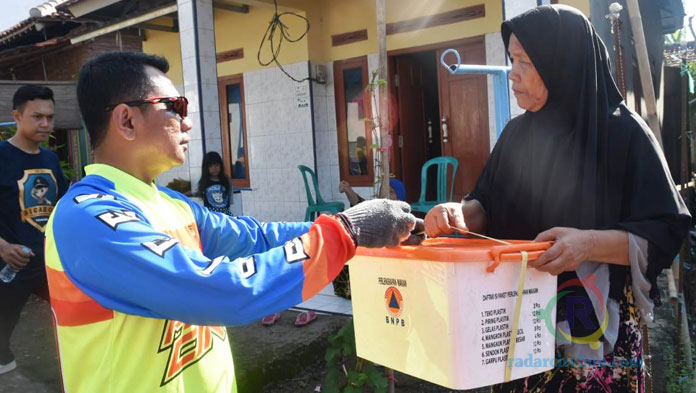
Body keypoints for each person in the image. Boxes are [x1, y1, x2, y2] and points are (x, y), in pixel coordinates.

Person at [44, 51, 421, 393]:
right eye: (175, 106)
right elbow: (219, 290)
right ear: (126, 119)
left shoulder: (172, 204)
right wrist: (345, 232)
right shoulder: (86, 219)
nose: (188, 122)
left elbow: (255, 239)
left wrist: (363, 229)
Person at [424, 5, 690, 392]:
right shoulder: (516, 136)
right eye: (511, 59)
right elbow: (485, 205)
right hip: (518, 322)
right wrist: (459, 214)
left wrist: (586, 244)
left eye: (524, 62)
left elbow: (665, 231)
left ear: (560, 63)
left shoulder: (622, 134)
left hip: (594, 336)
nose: (512, 72)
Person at [0, 85, 69, 375]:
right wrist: (1, 246)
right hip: (9, 265)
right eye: (37, 116)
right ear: (17, 115)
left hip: (47, 262)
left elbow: (64, 204)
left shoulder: (50, 159)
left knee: (72, 312)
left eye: (50, 118)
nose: (45, 124)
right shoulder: (2, 156)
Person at [334, 178, 407, 298]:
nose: (387, 195)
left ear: (399, 198)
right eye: (385, 191)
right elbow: (359, 203)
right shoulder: (378, 211)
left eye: (392, 192)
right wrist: (348, 189)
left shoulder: (403, 218)